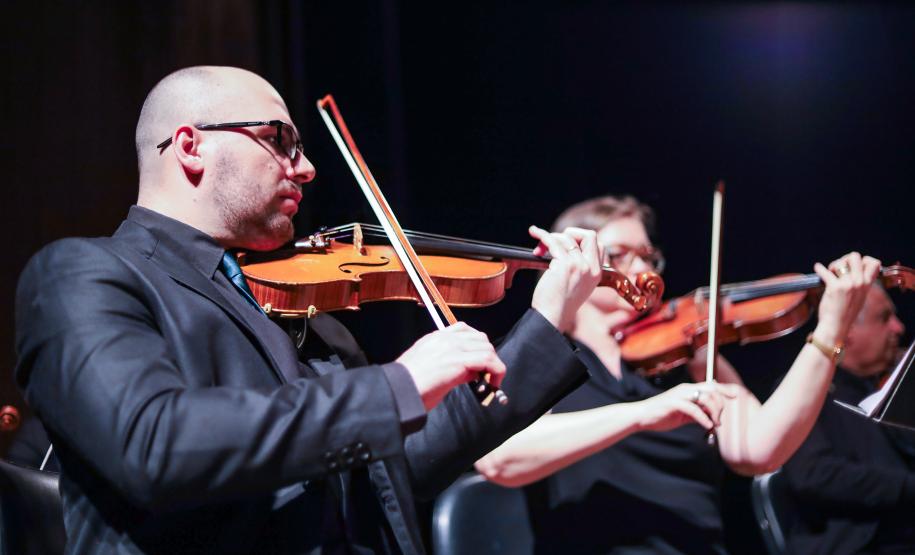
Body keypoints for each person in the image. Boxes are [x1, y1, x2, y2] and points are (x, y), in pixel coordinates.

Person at [14, 66, 607, 554]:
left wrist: (546, 320)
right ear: (191, 147)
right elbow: (154, 443)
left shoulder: (302, 313)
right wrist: (396, 385)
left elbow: (399, 470)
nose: (306, 168)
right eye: (280, 140)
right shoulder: (83, 275)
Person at [475, 195, 880, 554]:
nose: (641, 269)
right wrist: (643, 414)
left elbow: (760, 448)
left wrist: (831, 330)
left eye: (648, 257)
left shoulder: (685, 357)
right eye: (620, 254)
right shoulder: (540, 356)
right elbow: (499, 459)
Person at [782, 285, 915, 555]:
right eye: (884, 317)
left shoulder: (889, 385)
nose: (898, 328)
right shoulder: (805, 394)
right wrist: (906, 487)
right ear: (849, 328)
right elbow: (813, 474)